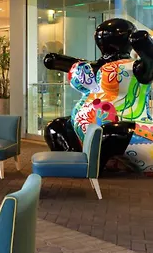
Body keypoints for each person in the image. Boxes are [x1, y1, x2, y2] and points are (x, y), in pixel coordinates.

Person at [44, 18, 153, 172]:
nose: (102, 37)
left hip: (131, 129)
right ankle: (73, 163)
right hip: (88, 127)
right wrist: (59, 61)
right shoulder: (94, 66)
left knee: (111, 133)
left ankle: (91, 169)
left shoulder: (134, 67)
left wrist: (145, 45)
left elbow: (150, 64)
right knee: (55, 127)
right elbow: (75, 66)